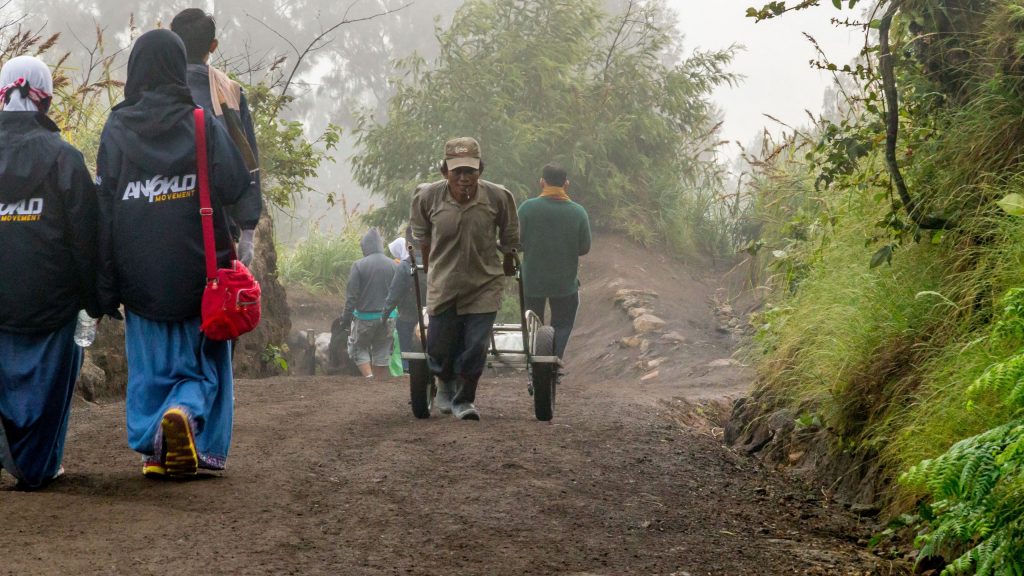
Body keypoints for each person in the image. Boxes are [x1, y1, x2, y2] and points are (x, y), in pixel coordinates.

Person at [95, 29, 251, 478]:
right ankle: (184, 417)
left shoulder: (117, 128)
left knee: (149, 370)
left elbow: (104, 209)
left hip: (137, 274)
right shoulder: (202, 123)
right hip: (200, 272)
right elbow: (237, 185)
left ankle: (156, 451)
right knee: (202, 365)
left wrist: (105, 284)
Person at [0, 56, 99, 491]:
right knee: (48, 386)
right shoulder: (65, 158)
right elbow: (85, 237)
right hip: (52, 302)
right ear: (46, 99)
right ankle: (38, 465)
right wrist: (95, 297)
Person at [410, 137, 520, 420]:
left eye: (469, 171)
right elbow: (422, 238)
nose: (463, 178)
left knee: (475, 346)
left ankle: (464, 400)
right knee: (438, 346)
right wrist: (431, 269)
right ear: (444, 171)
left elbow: (509, 236)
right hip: (444, 283)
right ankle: (444, 382)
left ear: (480, 171)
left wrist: (508, 260)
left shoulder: (498, 197)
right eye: (456, 171)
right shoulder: (427, 197)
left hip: (483, 283)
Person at [171, 8, 261, 267]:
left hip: (161, 223)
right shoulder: (229, 92)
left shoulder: (153, 88)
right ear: (213, 46)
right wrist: (247, 231)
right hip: (217, 227)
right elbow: (248, 162)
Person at [518, 162, 591, 358]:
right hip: (564, 284)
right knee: (563, 323)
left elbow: (517, 242)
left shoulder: (527, 208)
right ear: (566, 184)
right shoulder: (578, 212)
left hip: (532, 282)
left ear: (542, 182)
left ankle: (535, 360)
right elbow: (584, 248)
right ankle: (553, 359)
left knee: (533, 321)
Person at [339, 228, 399, 379]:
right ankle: (377, 385)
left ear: (365, 246)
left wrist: (345, 319)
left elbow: (351, 298)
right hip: (389, 318)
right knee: (382, 350)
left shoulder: (358, 265)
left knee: (358, 348)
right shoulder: (393, 265)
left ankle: (370, 379)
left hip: (365, 319)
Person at [382, 229, 427, 373]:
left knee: (407, 351)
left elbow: (393, 295)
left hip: (408, 316)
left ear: (408, 244)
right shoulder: (437, 263)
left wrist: (384, 315)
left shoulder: (405, 265)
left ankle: (408, 372)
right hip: (432, 317)